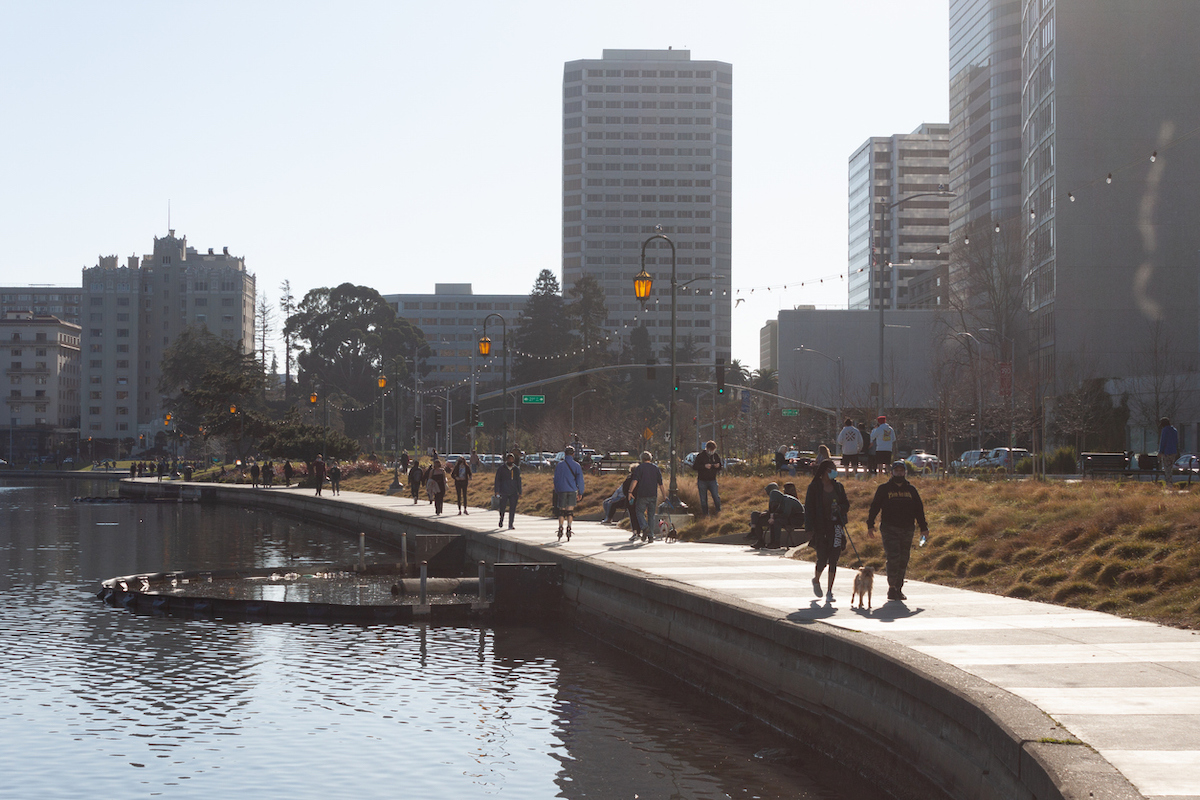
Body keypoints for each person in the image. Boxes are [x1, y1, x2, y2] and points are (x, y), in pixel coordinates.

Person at [866, 460, 930, 602]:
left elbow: (919, 510)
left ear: (905, 472)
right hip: (889, 528)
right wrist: (870, 524)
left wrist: (923, 527)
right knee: (893, 557)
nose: (899, 473)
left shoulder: (911, 490)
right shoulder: (884, 489)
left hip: (907, 528)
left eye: (901, 471)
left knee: (903, 558)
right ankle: (892, 587)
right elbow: (875, 507)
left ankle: (899, 588)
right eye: (897, 471)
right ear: (892, 472)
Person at [804, 459, 850, 603]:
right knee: (822, 558)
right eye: (831, 469)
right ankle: (816, 580)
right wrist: (809, 528)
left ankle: (830, 591)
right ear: (824, 471)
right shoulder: (814, 487)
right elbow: (809, 508)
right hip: (820, 526)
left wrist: (840, 509)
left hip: (836, 525)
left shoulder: (838, 487)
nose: (834, 472)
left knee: (834, 558)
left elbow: (846, 504)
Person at [749, 481, 804, 549]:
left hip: (796, 519)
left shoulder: (787, 500)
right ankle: (767, 542)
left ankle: (776, 542)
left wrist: (773, 517)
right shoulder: (781, 501)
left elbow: (786, 514)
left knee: (777, 522)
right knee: (769, 520)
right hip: (789, 518)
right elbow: (777, 511)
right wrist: (770, 515)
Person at [628, 450, 665, 543]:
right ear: (650, 458)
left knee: (639, 512)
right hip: (653, 494)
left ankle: (645, 527)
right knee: (651, 515)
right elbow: (660, 484)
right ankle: (651, 536)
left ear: (642, 459)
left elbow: (635, 481)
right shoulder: (656, 468)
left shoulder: (639, 468)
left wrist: (630, 491)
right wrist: (664, 495)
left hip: (643, 494)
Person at [553, 446, 586, 541]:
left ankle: (560, 527)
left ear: (564, 453)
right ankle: (569, 527)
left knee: (561, 511)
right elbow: (580, 480)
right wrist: (580, 492)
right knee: (570, 511)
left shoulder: (559, 465)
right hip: (572, 490)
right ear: (573, 454)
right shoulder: (576, 465)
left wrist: (557, 489)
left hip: (562, 490)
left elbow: (556, 479)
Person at [693, 439, 723, 515]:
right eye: (711, 449)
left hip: (712, 480)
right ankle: (705, 514)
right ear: (707, 448)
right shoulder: (700, 456)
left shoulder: (715, 456)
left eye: (713, 450)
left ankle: (718, 511)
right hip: (702, 480)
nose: (712, 451)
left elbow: (720, 466)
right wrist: (704, 466)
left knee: (716, 497)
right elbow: (695, 467)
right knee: (703, 500)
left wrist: (718, 466)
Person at [493, 452, 522, 529]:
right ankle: (501, 519)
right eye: (509, 459)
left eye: (512, 459)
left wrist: (520, 491)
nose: (511, 461)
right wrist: (497, 490)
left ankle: (510, 524)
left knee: (512, 508)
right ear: (506, 460)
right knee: (502, 507)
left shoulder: (516, 469)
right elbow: (497, 480)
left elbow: (519, 480)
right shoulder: (501, 469)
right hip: (504, 491)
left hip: (513, 491)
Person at [1159, 416, 1179, 483]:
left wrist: (1160, 452)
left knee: (1167, 469)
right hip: (1173, 452)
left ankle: (1169, 483)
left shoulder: (1165, 430)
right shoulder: (1174, 430)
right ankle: (1170, 482)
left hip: (1167, 452)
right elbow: (1176, 442)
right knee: (1170, 468)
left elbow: (1163, 441)